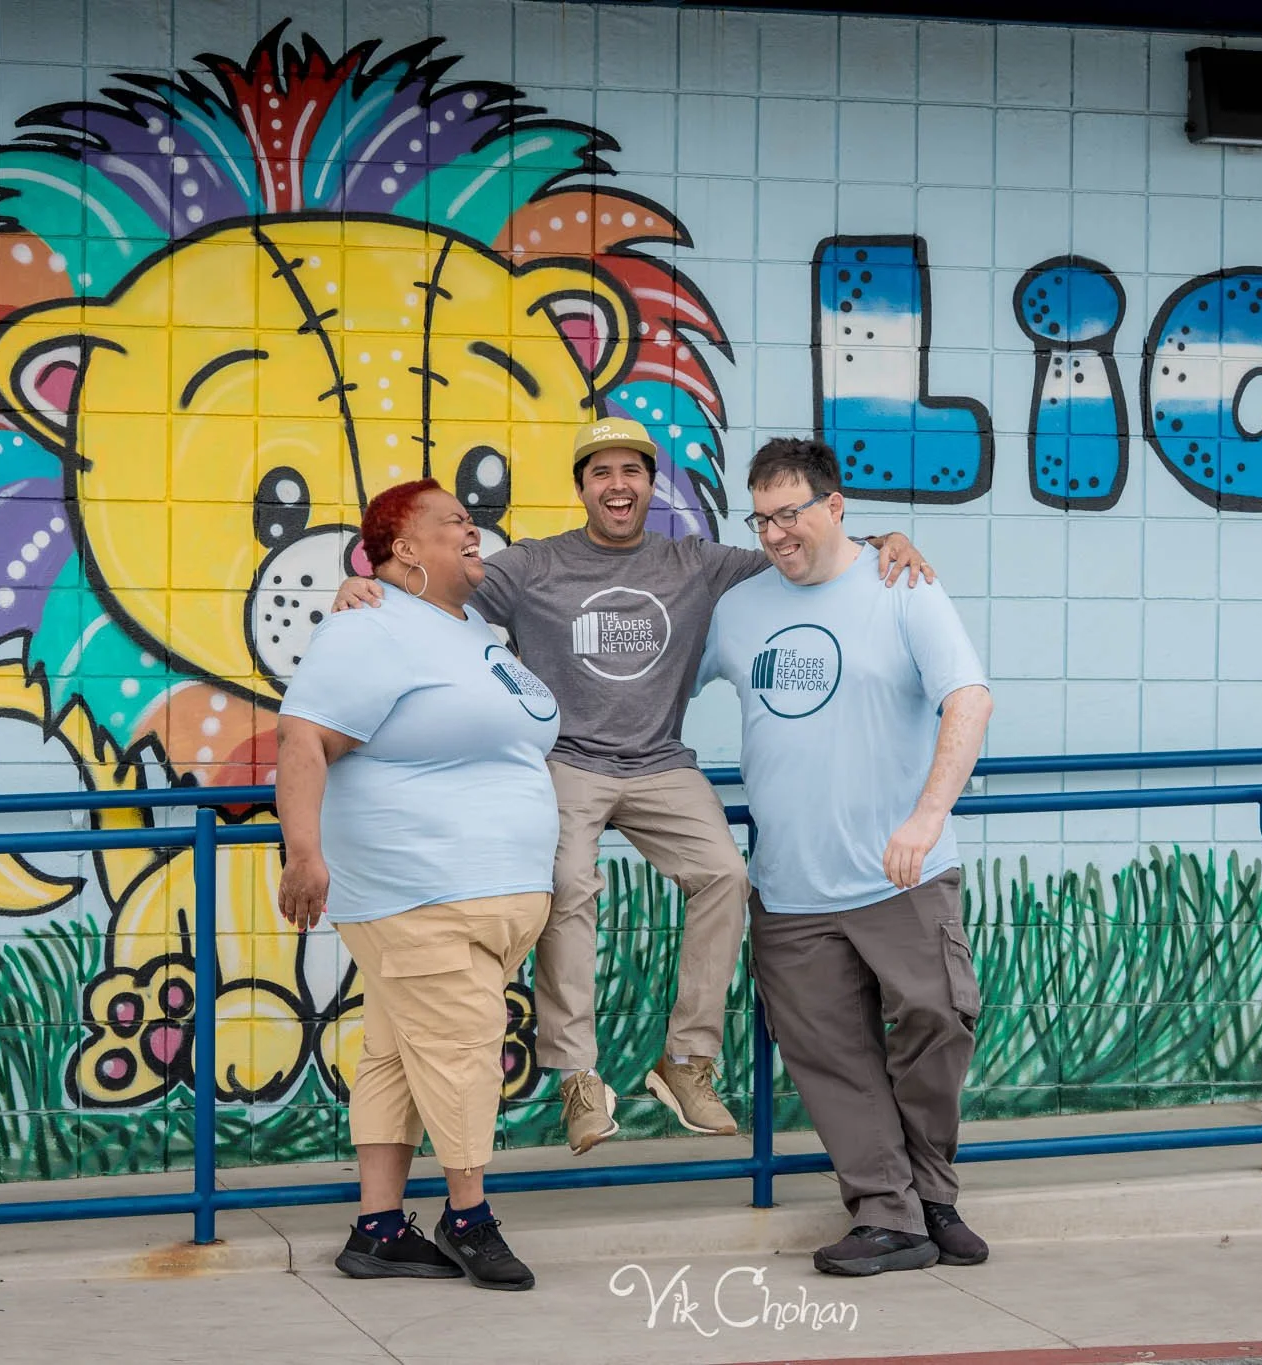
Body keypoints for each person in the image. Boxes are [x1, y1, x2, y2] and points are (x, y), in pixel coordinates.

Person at [330, 416, 934, 1155]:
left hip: (659, 761)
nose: (617, 485)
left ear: (651, 485)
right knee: (568, 884)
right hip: (571, 760)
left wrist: (882, 544)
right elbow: (439, 593)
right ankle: (578, 1074)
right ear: (582, 488)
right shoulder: (533, 565)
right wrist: (369, 582)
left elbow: (802, 546)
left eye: (632, 472)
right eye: (600, 473)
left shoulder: (696, 562)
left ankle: (686, 1061)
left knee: (724, 874)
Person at [695, 436, 995, 1278]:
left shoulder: (903, 584)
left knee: (938, 1021)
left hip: (902, 874)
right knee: (832, 1058)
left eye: (790, 513)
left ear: (835, 506)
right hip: (791, 890)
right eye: (760, 518)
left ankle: (932, 1193)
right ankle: (889, 1215)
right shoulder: (738, 607)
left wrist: (927, 817)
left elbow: (968, 699)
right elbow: (647, 678)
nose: (775, 533)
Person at [276, 478, 560, 1292]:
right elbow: (302, 739)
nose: (476, 532)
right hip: (418, 893)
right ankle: (468, 1218)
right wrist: (304, 852)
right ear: (404, 548)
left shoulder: (471, 628)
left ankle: (378, 1229)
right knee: (466, 1051)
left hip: (490, 897)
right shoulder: (369, 630)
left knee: (397, 1055)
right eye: (456, 523)